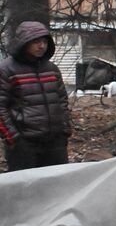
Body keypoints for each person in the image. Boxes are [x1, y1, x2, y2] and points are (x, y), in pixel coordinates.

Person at [0, 21, 70, 171]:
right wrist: (13, 138)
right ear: (24, 42)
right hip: (24, 144)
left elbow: (62, 101)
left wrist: (64, 130)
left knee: (59, 187)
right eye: (36, 41)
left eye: (44, 41)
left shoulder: (51, 69)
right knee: (26, 190)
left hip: (55, 142)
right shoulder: (6, 70)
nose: (41, 46)